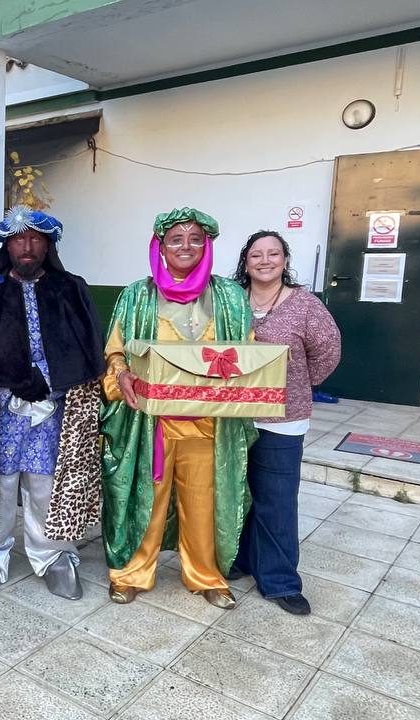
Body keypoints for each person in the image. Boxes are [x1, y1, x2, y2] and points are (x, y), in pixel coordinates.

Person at [0, 206, 105, 601]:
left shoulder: (71, 289)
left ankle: (54, 556)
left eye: (36, 239)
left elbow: (89, 349)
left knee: (45, 481)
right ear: (7, 246)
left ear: (49, 245)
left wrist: (51, 382)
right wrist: (10, 379)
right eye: (19, 239)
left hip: (55, 409)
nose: (27, 247)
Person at [101, 208, 255, 609]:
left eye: (195, 239)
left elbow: (247, 352)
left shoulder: (230, 297)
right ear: (161, 247)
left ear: (207, 246)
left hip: (209, 423)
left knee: (203, 503)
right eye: (176, 239)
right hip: (150, 422)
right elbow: (115, 350)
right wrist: (121, 373)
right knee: (146, 502)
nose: (186, 246)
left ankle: (206, 576)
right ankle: (131, 573)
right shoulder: (137, 295)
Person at [231, 230, 340, 615]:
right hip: (233, 414)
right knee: (236, 494)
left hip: (283, 418)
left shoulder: (305, 305)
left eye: (273, 254)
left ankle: (279, 581)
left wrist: (297, 384)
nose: (265, 261)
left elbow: (328, 352)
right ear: (246, 262)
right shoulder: (231, 301)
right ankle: (241, 559)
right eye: (256, 255)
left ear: (285, 260)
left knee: (276, 500)